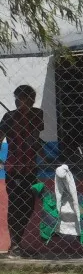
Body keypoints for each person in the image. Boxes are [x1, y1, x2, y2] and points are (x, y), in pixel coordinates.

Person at [1, 85, 45, 257]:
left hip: (30, 168)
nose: (20, 102)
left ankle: (18, 243)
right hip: (14, 169)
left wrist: (45, 155)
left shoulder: (37, 115)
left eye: (24, 99)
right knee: (15, 205)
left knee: (28, 206)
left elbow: (35, 138)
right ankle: (15, 245)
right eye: (17, 99)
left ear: (31, 100)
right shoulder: (9, 117)